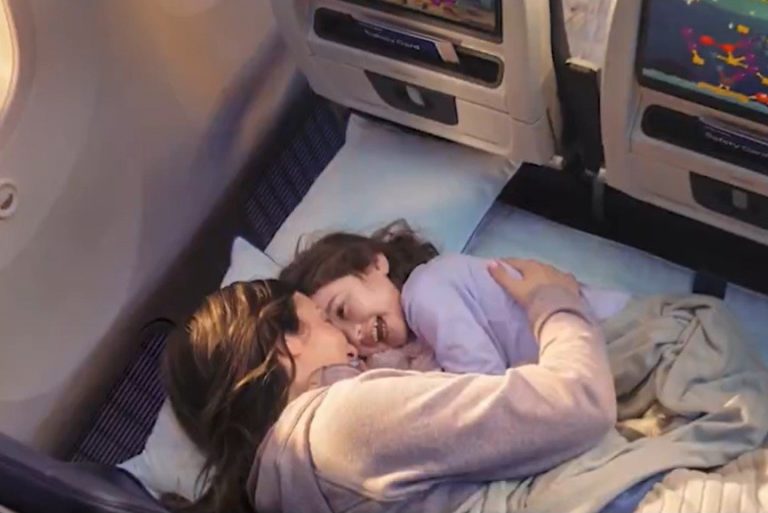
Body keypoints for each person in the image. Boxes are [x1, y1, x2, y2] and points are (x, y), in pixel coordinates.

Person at [163, 259, 617, 513]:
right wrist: (553, 302)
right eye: (326, 320)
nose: (353, 346)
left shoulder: (283, 489)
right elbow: (579, 404)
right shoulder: (340, 422)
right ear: (284, 344)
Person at [279, 221, 629, 374]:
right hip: (593, 348)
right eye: (343, 336)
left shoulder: (424, 291)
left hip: (615, 334)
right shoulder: (418, 330)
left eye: (344, 310)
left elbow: (486, 387)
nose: (356, 334)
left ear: (375, 264)